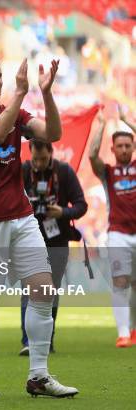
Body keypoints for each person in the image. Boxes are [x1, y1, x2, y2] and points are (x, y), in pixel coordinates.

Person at [0, 53, 78, 398]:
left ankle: (39, 375)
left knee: (42, 290)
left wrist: (46, 93)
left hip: (21, 217)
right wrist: (21, 93)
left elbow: (53, 132)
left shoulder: (18, 115)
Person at [19, 140, 88, 355]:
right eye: (35, 159)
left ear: (51, 153)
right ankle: (28, 341)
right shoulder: (22, 171)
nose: (38, 163)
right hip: (28, 240)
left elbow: (81, 205)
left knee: (51, 290)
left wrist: (62, 212)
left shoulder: (64, 172)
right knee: (28, 289)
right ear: (29, 154)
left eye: (43, 158)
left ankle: (47, 340)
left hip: (57, 241)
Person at [89, 109, 135, 348]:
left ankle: (133, 329)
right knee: (120, 281)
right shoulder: (108, 173)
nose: (124, 150)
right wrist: (101, 125)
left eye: (128, 145)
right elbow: (92, 155)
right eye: (120, 146)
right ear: (114, 149)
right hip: (118, 233)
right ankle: (123, 333)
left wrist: (128, 122)